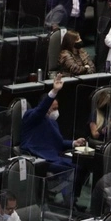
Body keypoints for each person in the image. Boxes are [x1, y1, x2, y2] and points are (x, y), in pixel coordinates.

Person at [20, 75, 87, 203]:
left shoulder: (53, 122)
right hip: (38, 157)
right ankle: (68, 204)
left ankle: (73, 199)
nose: (56, 111)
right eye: (54, 108)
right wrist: (54, 91)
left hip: (53, 155)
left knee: (80, 167)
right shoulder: (32, 116)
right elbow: (41, 110)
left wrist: (73, 143)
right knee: (69, 170)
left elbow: (58, 142)